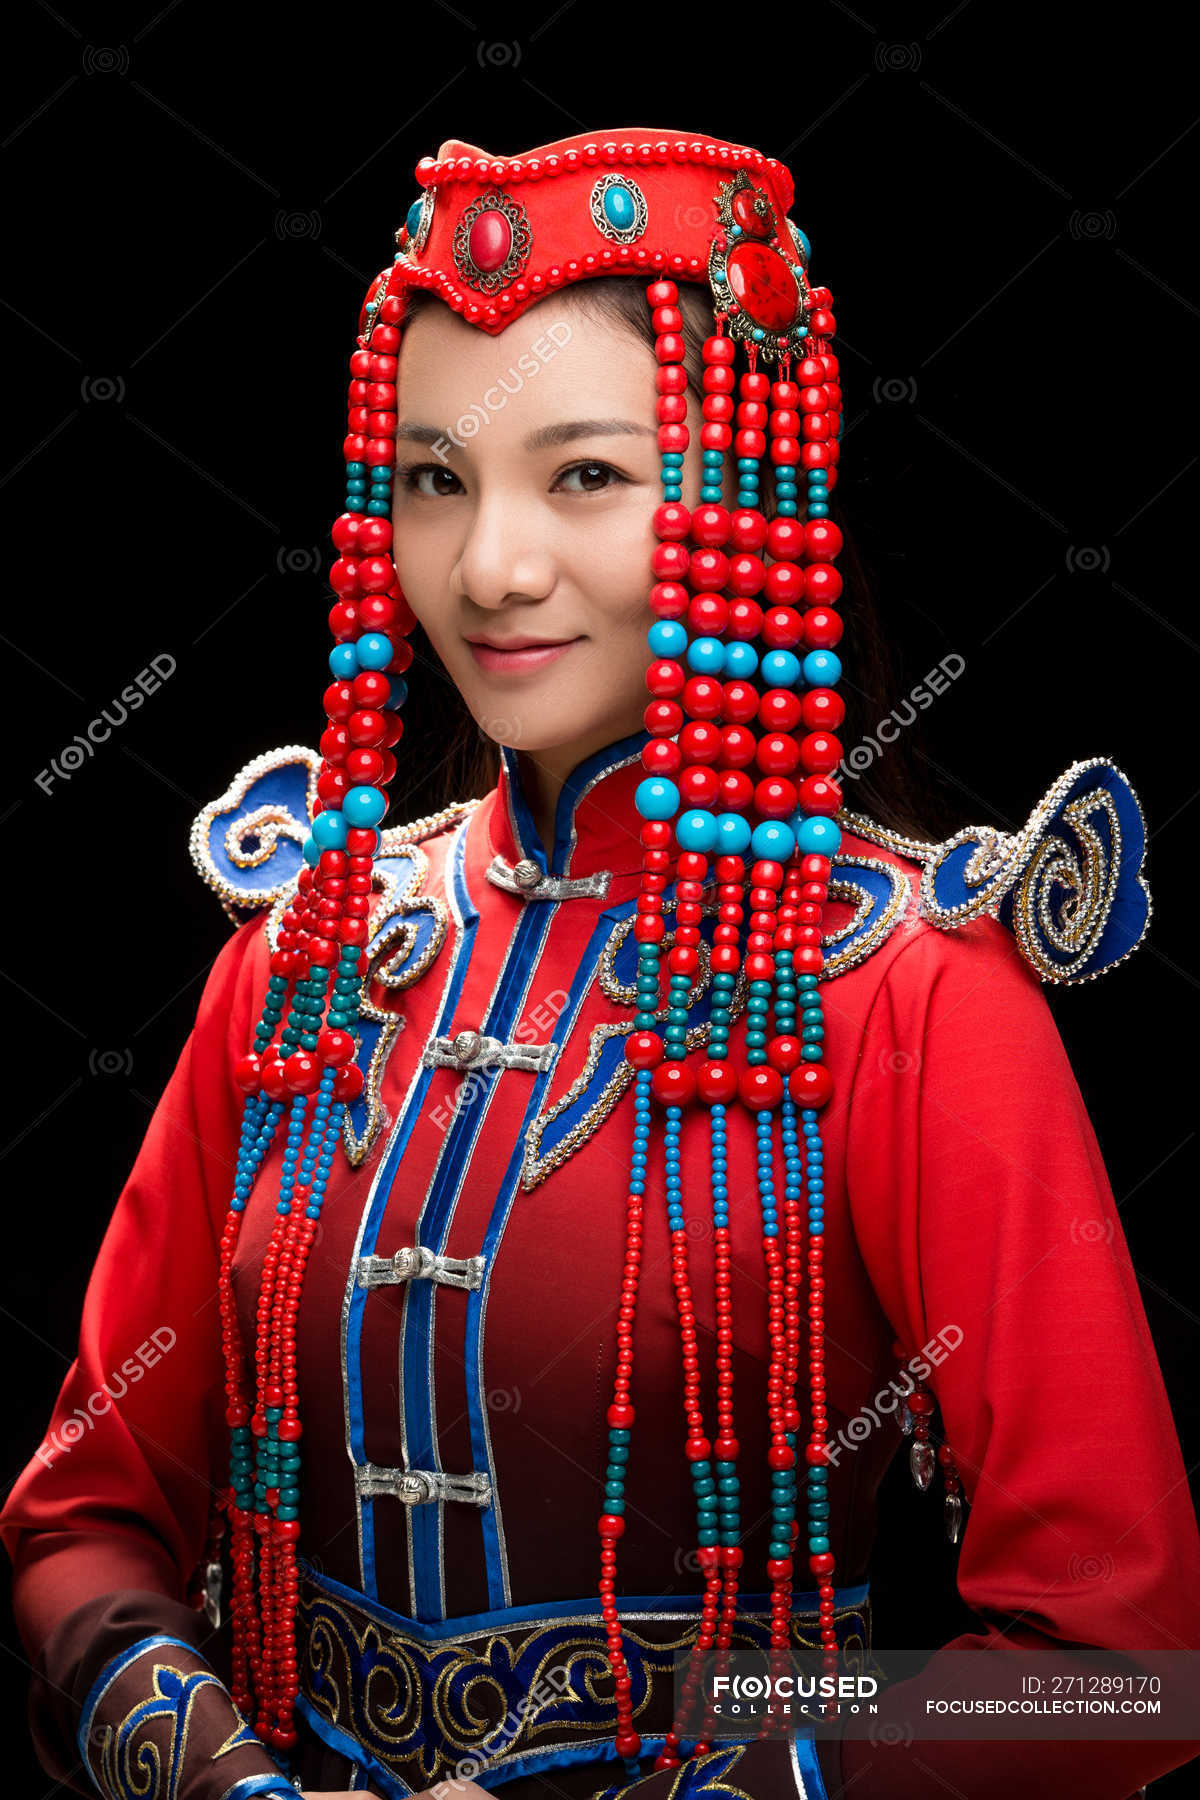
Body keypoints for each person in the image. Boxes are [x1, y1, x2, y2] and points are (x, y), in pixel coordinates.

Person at [3, 125, 1198, 1800]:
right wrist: (223, 1782)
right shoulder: (305, 961)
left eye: (585, 477)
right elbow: (81, 1521)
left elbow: (1118, 1669)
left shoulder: (907, 991)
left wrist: (749, 1776)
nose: (490, 569)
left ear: (742, 493)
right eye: (434, 479)